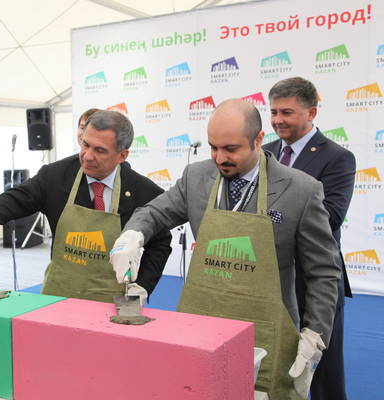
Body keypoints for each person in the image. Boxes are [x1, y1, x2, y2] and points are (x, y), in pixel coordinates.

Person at [110, 99, 341, 399]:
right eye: (213, 147)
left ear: (258, 139)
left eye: (231, 149)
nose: (220, 158)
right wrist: (133, 234)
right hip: (200, 324)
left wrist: (315, 333)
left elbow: (323, 272)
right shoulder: (197, 177)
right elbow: (154, 212)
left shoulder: (300, 190)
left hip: (266, 330)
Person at [0, 110, 172, 303]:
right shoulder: (55, 176)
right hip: (58, 295)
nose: (87, 156)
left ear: (122, 155)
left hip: (115, 300)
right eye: (85, 145)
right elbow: (16, 199)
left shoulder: (144, 193)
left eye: (100, 150)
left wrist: (142, 286)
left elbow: (160, 244)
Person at [264, 77, 355, 400]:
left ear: (311, 112)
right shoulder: (263, 153)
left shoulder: (338, 157)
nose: (277, 120)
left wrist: (272, 217)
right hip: (271, 275)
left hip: (315, 279)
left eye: (286, 112)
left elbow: (330, 217)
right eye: (273, 112)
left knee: (322, 372)